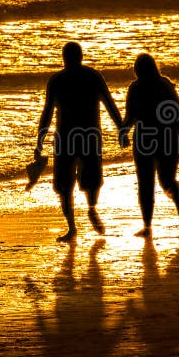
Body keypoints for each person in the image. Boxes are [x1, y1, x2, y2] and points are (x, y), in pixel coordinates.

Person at [35, 42, 122, 242]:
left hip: (72, 137)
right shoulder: (89, 77)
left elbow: (47, 112)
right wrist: (121, 128)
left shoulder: (62, 79)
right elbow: (109, 103)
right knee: (72, 183)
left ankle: (81, 219)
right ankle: (81, 218)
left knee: (72, 183)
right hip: (84, 136)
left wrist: (40, 140)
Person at [120, 53, 179, 237]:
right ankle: (176, 202)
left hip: (145, 140)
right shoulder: (165, 85)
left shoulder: (136, 87)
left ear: (137, 71)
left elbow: (129, 117)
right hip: (167, 138)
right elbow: (178, 115)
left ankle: (147, 226)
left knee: (146, 183)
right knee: (165, 180)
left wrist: (123, 132)